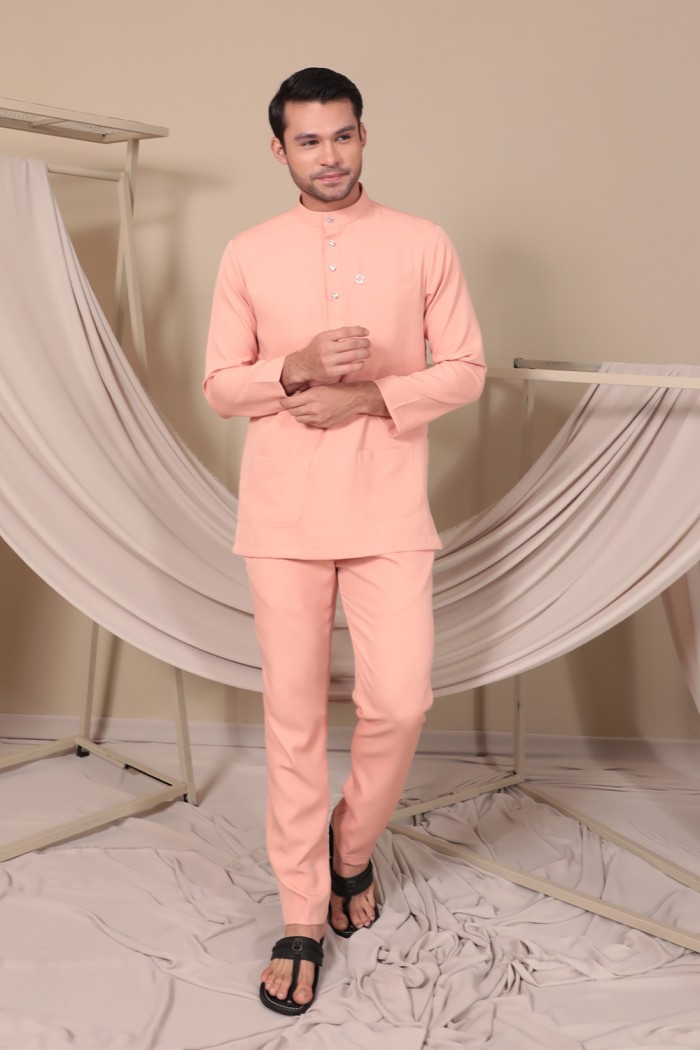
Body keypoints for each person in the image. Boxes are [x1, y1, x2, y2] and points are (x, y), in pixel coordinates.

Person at [203, 67, 486, 1016]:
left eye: (343, 135)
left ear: (364, 136)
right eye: (309, 140)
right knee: (292, 718)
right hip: (282, 518)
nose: (329, 156)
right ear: (279, 149)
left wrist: (366, 396)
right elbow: (220, 385)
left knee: (399, 701)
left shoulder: (422, 242)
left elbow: (467, 369)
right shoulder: (248, 253)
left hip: (388, 511)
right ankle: (300, 914)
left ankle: (350, 847)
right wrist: (292, 366)